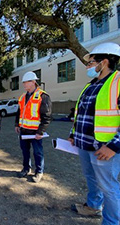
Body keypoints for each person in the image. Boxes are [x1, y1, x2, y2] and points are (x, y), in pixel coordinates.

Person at [69, 42, 120, 225]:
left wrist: (114, 146)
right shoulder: (91, 85)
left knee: (109, 188)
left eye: (91, 63)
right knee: (91, 178)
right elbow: (80, 113)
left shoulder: (118, 82)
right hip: (85, 144)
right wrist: (73, 133)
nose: (88, 67)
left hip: (105, 148)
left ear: (104, 62)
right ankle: (93, 206)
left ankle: (112, 222)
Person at [15, 71, 52, 183]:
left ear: (33, 82)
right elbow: (19, 112)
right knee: (25, 151)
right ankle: (26, 168)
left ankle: (39, 172)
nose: (24, 85)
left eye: (26, 82)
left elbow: (47, 116)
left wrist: (40, 132)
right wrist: (17, 124)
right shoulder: (22, 97)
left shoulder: (43, 96)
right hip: (24, 130)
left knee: (37, 152)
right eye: (23, 83)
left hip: (35, 131)